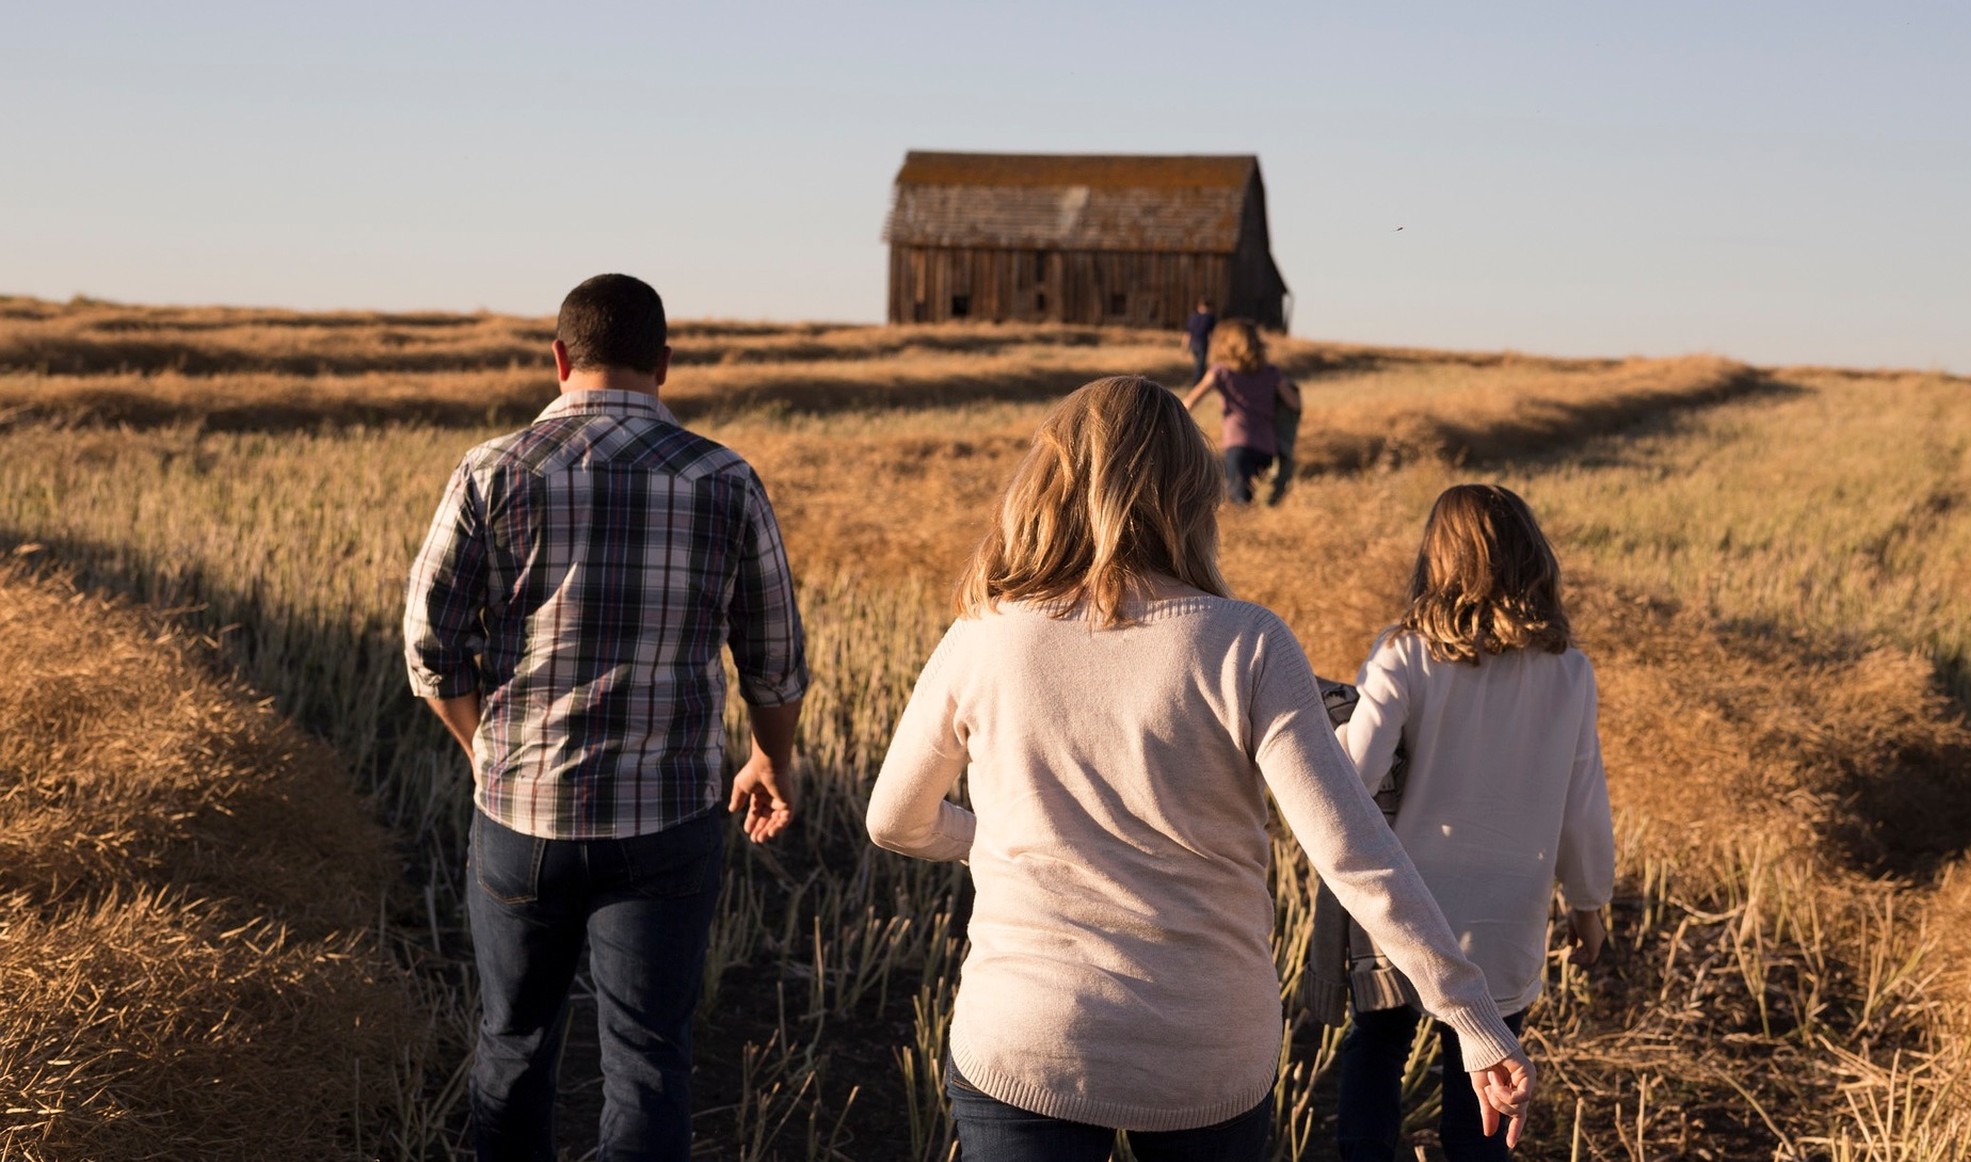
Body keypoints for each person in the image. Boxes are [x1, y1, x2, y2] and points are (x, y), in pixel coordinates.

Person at [865, 377, 1534, 1162]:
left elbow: (894, 821)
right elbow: (1352, 854)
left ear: (1047, 482)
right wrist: (1470, 1019)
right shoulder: (1247, 643)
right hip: (1206, 1052)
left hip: (1028, 1039)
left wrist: (993, 837)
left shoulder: (984, 633)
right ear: (1192, 492)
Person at [402, 273, 809, 1161]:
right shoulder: (724, 478)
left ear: (558, 358)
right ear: (666, 364)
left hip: (521, 815)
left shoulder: (489, 469)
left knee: (513, 1043)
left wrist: (484, 752)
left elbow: (429, 648)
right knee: (651, 1060)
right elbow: (774, 660)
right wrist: (769, 759)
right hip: (667, 820)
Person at [1327, 483, 1614, 1162]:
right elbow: (1583, 800)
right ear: (1534, 559)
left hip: (1409, 902)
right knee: (1485, 1073)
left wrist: (1323, 720)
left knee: (1377, 1046)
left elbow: (1353, 774)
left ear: (1438, 558)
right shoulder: (1569, 670)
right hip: (1509, 907)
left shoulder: (1405, 651)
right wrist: (1589, 904)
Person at [1182, 318, 1301, 505]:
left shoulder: (1221, 372)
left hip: (1238, 445)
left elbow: (1189, 402)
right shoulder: (1271, 373)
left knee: (1238, 505)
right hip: (1267, 448)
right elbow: (1294, 404)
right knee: (1259, 501)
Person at [1182, 297, 1217, 382]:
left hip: (1193, 344)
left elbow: (1187, 334)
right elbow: (1212, 334)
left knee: (1199, 364)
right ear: (1209, 307)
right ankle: (1196, 383)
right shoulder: (1210, 318)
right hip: (1202, 343)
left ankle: (1202, 380)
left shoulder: (1192, 317)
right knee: (1200, 366)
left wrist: (1184, 348)